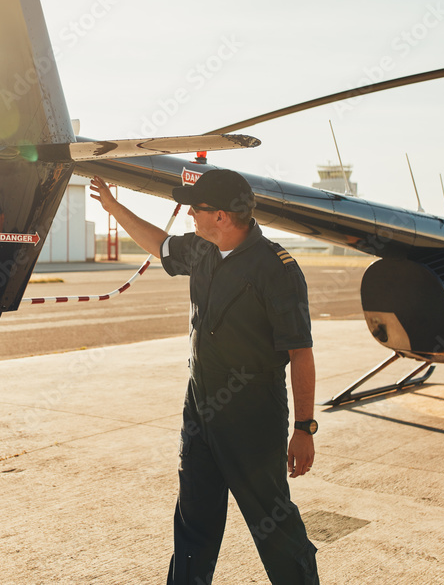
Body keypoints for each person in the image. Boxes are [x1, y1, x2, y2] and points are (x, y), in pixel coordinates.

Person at [90, 170, 319, 584]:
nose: (191, 213)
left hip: (252, 417)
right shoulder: (202, 249)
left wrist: (305, 427)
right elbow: (160, 244)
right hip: (200, 410)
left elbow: (301, 352)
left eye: (198, 208)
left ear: (224, 217)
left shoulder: (277, 269)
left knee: (274, 526)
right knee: (194, 525)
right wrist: (111, 206)